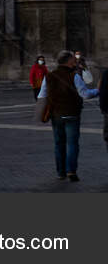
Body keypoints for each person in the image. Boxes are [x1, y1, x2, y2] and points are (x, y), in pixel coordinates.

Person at [38, 50, 97, 182]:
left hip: (56, 114)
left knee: (59, 143)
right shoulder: (74, 76)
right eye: (73, 59)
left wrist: (41, 113)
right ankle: (71, 171)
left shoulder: (49, 76)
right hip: (72, 114)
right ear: (69, 61)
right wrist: (97, 91)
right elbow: (85, 94)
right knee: (72, 144)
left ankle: (61, 172)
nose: (75, 61)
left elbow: (42, 96)